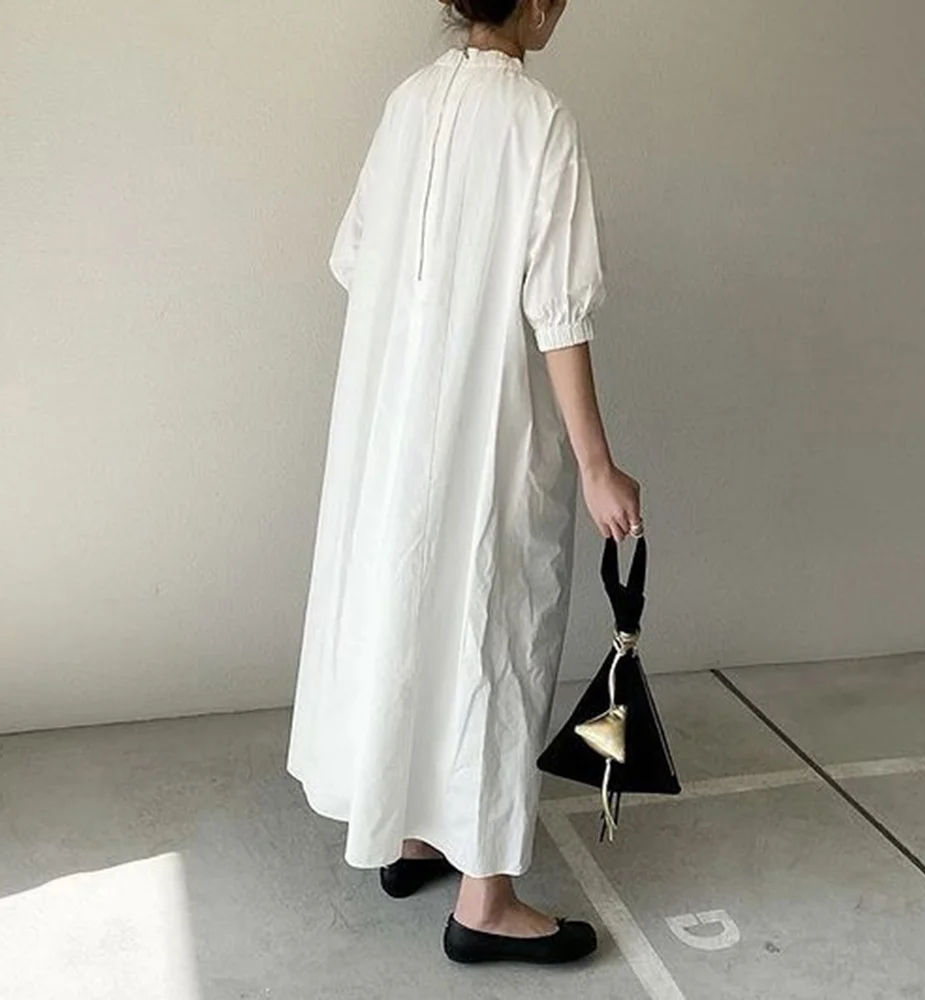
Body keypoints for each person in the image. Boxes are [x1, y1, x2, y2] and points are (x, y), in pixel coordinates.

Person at [286, 0, 642, 965]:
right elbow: (558, 309)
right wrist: (596, 464)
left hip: (392, 430)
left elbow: (355, 257)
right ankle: (486, 899)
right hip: (488, 431)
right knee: (493, 627)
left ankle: (410, 833)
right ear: (535, 4)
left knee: (405, 610)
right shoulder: (539, 121)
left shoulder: (406, 102)